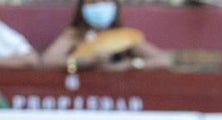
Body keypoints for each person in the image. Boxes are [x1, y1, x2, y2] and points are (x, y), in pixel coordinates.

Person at [41, 0, 171, 72]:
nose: (100, 5)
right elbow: (48, 60)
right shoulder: (74, 35)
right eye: (93, 2)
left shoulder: (123, 37)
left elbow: (164, 60)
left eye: (105, 1)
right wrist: (86, 61)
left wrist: (131, 65)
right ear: (82, 7)